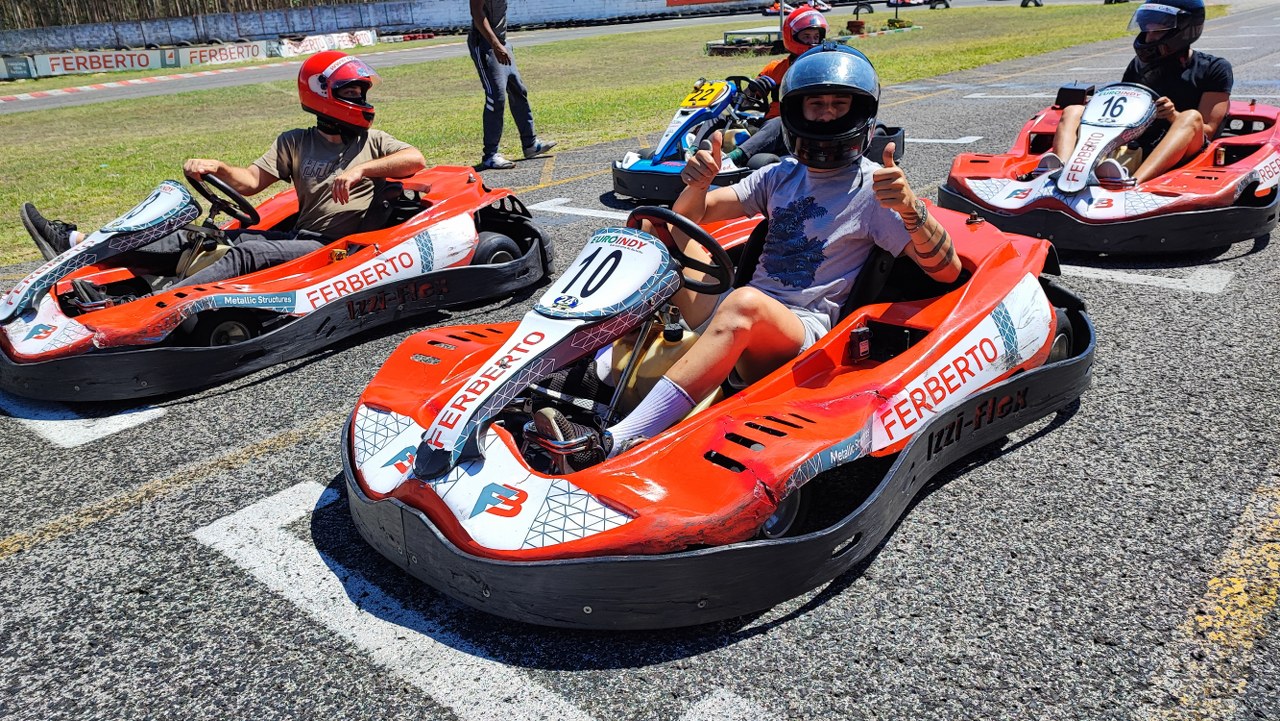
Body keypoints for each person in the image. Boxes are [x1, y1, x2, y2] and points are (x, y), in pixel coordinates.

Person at [535, 44, 961, 470]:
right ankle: (587, 367)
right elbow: (692, 216)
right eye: (816, 104)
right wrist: (697, 184)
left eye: (839, 104)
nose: (827, 115)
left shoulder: (876, 191)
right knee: (651, 230)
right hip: (738, 314)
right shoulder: (780, 175)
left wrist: (911, 210)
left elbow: (947, 271)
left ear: (860, 113)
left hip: (800, 336)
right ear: (796, 112)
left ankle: (616, 442)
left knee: (744, 304)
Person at [20, 51, 427, 288]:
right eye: (351, 92)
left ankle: (158, 305)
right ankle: (76, 243)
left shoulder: (373, 142)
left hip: (333, 247)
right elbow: (249, 183)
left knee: (248, 252)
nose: (360, 100)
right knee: (197, 237)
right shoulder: (295, 141)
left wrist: (361, 171)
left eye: (360, 92)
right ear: (322, 95)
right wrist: (217, 166)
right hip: (297, 237)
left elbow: (415, 159)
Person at [1038, 0, 1230, 185]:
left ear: (1183, 31)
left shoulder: (1214, 68)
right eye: (1147, 30)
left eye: (1157, 31)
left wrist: (1173, 115)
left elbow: (1208, 131)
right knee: (1074, 111)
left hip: (1184, 147)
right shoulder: (1139, 65)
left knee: (1190, 117)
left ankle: (1133, 183)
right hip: (1136, 138)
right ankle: (1062, 171)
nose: (1148, 37)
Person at [724, 4, 829, 169]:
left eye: (816, 36)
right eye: (807, 36)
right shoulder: (775, 69)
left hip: (800, 129)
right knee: (722, 115)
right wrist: (753, 89)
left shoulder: (824, 68)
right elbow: (744, 103)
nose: (812, 42)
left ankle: (732, 160)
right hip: (767, 127)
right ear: (791, 37)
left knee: (779, 122)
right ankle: (694, 149)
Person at [469, 0, 557, 170]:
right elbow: (476, 12)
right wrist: (495, 45)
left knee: (518, 91)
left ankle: (530, 144)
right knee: (496, 97)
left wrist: (500, 44)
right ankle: (490, 155)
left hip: (502, 42)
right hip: (485, 45)